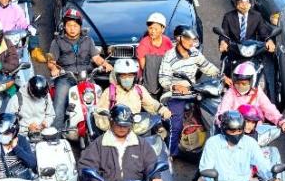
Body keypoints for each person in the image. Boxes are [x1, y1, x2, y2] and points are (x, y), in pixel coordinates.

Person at [158, 25, 220, 157]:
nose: (191, 42)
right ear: (178, 38)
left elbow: (207, 67)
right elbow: (163, 79)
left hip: (193, 90)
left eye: (192, 39)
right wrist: (175, 87)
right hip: (175, 94)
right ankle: (171, 152)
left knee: (212, 115)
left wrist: (221, 76)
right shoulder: (169, 56)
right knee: (176, 125)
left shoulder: (195, 53)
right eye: (187, 39)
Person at [46, 9, 112, 129]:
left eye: (75, 26)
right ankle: (56, 132)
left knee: (99, 101)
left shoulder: (88, 40)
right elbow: (51, 62)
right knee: (59, 104)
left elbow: (96, 57)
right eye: (69, 25)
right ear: (64, 26)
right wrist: (54, 69)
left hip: (86, 76)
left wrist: (105, 64)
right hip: (66, 77)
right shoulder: (57, 42)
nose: (72, 28)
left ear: (80, 26)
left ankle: (102, 128)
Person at [91, 57, 170, 133]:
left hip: (137, 130)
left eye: (130, 75)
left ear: (135, 76)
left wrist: (163, 110)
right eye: (123, 76)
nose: (127, 78)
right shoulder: (109, 92)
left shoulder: (139, 90)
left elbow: (152, 104)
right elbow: (99, 114)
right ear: (117, 77)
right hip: (117, 133)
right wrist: (111, 125)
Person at [219, 0, 276, 86]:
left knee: (266, 73)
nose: (244, 5)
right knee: (224, 77)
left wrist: (269, 40)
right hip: (234, 50)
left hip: (251, 51)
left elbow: (263, 32)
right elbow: (224, 33)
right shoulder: (228, 17)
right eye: (240, 2)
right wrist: (223, 42)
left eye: (246, 2)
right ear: (235, 3)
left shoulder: (257, 16)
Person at [216, 62, 285, 135]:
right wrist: (222, 121)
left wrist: (282, 122)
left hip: (254, 132)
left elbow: (269, 108)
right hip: (234, 131)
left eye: (244, 83)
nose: (240, 86)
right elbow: (223, 110)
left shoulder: (257, 92)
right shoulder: (230, 93)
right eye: (237, 83)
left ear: (252, 81)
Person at [137, 12, 174, 97]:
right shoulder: (144, 43)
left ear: (163, 29)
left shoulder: (167, 41)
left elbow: (172, 59)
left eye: (156, 29)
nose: (152, 31)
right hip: (149, 78)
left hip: (165, 74)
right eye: (150, 28)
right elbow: (144, 67)